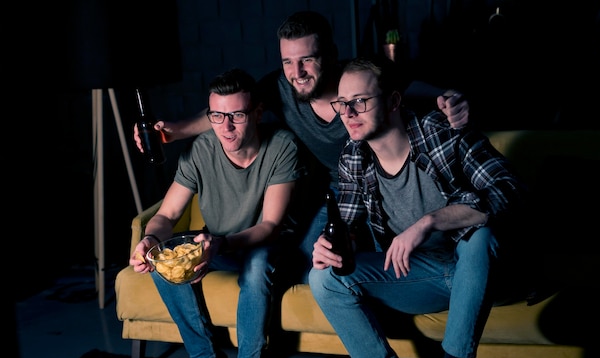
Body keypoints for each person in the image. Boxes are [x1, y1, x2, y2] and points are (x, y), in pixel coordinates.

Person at [134, 11, 470, 281]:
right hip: (334, 197)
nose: (297, 72)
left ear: (330, 56)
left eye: (307, 60)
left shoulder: (357, 81)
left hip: (381, 189)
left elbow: (413, 88)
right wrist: (175, 131)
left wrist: (449, 98)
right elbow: (230, 111)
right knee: (318, 265)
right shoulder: (279, 88)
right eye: (287, 62)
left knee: (389, 257)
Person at [308, 57, 527, 358]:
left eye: (360, 101)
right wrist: (329, 248)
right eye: (342, 103)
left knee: (479, 236)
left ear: (394, 102)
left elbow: (511, 192)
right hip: (424, 276)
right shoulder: (353, 155)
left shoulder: (440, 132)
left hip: (485, 273)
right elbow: (344, 226)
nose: (348, 112)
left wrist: (429, 222)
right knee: (322, 278)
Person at [129, 68, 303, 358]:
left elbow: (269, 225)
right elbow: (166, 216)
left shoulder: (282, 146)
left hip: (265, 245)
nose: (226, 127)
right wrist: (149, 240)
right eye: (217, 116)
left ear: (256, 112)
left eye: (237, 115)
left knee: (255, 270)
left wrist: (219, 244)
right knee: (164, 258)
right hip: (217, 243)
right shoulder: (201, 149)